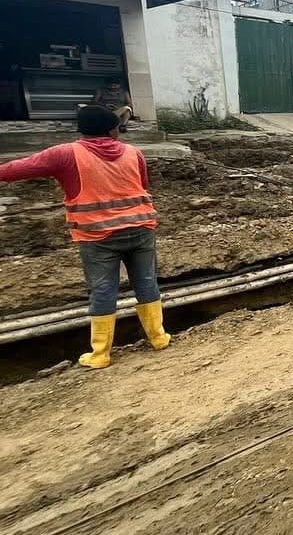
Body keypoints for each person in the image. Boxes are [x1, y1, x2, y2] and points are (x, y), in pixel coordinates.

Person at [0, 104, 169, 369]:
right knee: (146, 281)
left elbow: (15, 170)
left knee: (103, 289)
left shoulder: (65, 154)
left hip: (97, 236)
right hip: (141, 228)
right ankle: (158, 338)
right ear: (112, 130)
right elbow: (142, 185)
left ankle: (100, 354)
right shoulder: (133, 153)